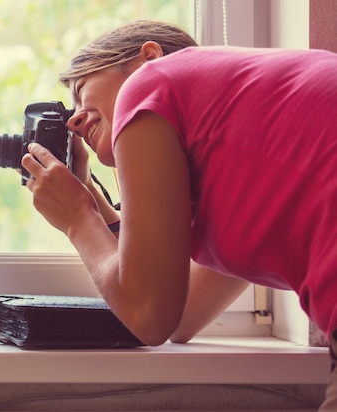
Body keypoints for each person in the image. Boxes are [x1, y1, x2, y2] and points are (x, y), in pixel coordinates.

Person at [20, 20, 337, 409]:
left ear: (147, 58)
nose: (73, 119)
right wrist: (94, 205)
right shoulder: (231, 189)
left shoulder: (150, 83)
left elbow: (149, 318)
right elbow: (179, 315)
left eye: (82, 91)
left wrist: (76, 218)